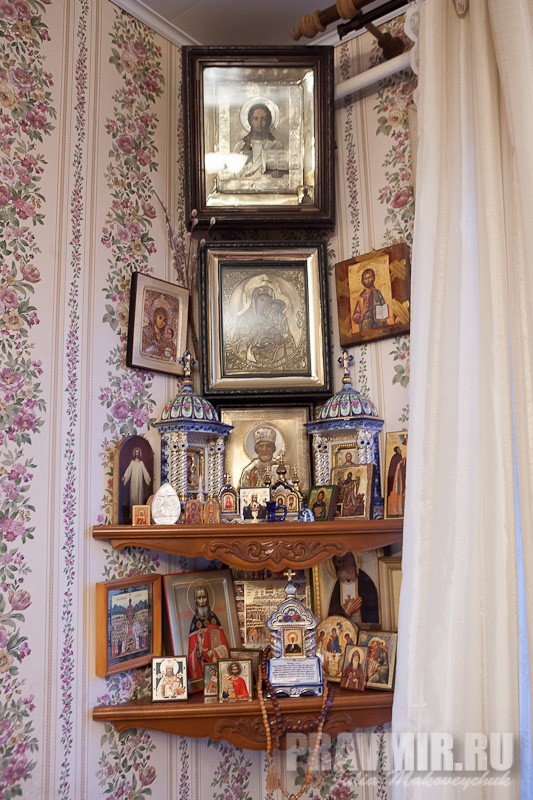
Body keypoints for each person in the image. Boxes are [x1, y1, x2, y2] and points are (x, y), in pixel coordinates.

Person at [187, 585, 230, 685]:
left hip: (215, 661)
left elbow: (224, 645)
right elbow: (191, 654)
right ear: (195, 600)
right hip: (202, 666)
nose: (202, 601)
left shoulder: (213, 618)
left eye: (204, 597)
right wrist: (199, 651)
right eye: (199, 598)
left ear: (208, 598)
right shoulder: (195, 622)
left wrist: (214, 652)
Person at [234, 103, 284, 180]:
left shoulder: (275, 145)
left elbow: (282, 171)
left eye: (263, 119)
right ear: (250, 121)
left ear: (268, 121)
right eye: (255, 119)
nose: (259, 123)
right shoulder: (240, 146)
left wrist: (278, 173)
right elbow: (235, 174)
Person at [327, 552, 379, 625]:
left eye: (345, 561)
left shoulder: (364, 580)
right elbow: (333, 615)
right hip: (345, 629)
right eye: (339, 562)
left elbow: (373, 609)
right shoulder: (338, 585)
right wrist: (347, 613)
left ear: (352, 561)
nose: (343, 565)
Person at [352, 268, 389, 332]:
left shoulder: (377, 293)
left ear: (373, 278)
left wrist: (383, 317)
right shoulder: (361, 296)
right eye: (365, 278)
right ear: (363, 281)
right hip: (366, 325)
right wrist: (362, 313)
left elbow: (383, 306)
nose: (368, 280)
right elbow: (355, 316)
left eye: (369, 278)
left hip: (378, 323)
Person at [387, 447, 407, 517]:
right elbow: (394, 466)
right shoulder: (394, 457)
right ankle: (393, 511)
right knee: (394, 493)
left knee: (399, 493)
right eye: (398, 449)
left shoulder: (399, 456)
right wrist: (400, 462)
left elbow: (401, 466)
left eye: (399, 449)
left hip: (399, 477)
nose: (400, 450)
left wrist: (403, 461)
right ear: (396, 450)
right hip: (395, 479)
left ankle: (399, 510)